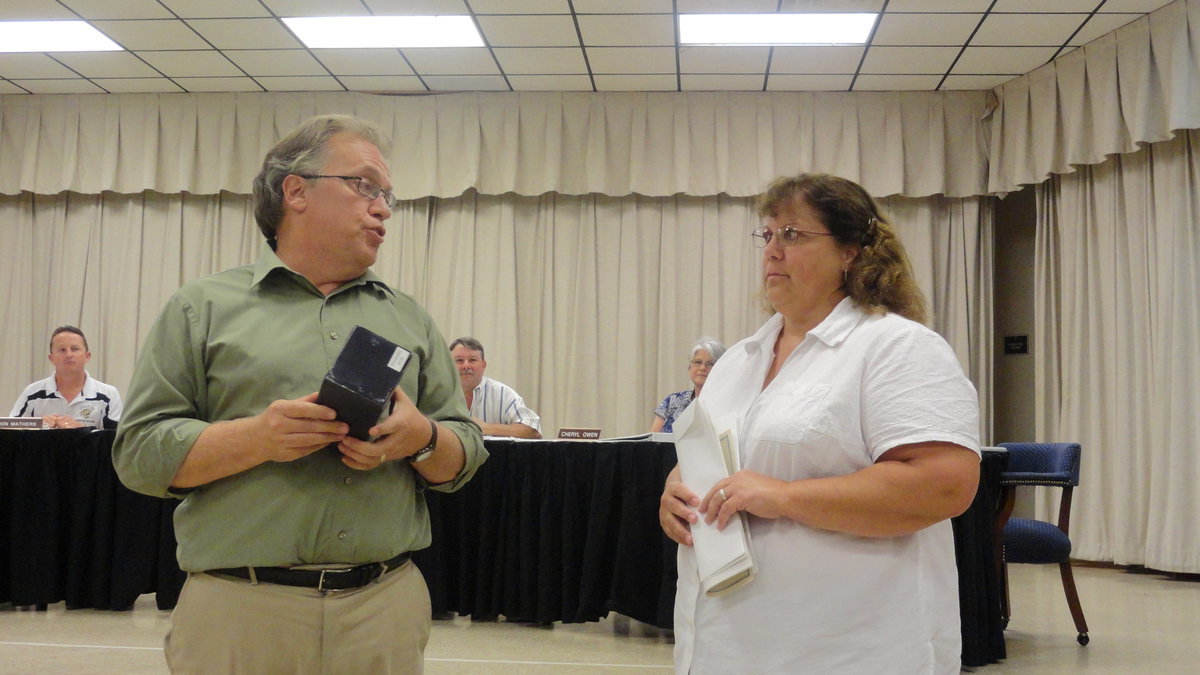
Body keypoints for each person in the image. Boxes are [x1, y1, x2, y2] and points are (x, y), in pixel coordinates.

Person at [112, 115, 487, 674]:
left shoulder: (410, 319)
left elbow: (466, 454)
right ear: (296, 191)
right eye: (364, 186)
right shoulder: (201, 308)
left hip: (383, 609)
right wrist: (258, 438)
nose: (383, 208)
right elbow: (139, 454)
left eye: (386, 196)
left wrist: (421, 438)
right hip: (240, 612)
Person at [658, 173, 981, 674]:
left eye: (792, 234)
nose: (772, 250)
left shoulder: (897, 347)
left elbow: (943, 485)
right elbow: (719, 457)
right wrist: (678, 491)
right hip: (726, 645)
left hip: (845, 647)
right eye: (768, 234)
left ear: (851, 251)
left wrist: (785, 498)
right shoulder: (738, 361)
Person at [11, 325, 122, 429]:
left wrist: (82, 430)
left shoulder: (108, 395)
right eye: (62, 350)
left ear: (87, 356)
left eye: (75, 349)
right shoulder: (32, 393)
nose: (69, 354)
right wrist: (37, 424)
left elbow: (117, 438)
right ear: (51, 358)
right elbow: (8, 428)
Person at [449, 336, 542, 439]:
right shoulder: (438, 395)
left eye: (472, 360)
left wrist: (487, 428)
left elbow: (533, 431)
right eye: (459, 360)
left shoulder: (503, 394)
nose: (466, 366)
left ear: (483, 365)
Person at [649, 336, 725, 433]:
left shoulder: (725, 405)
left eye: (710, 364)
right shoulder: (672, 401)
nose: (702, 368)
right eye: (698, 362)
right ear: (689, 367)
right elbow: (652, 439)